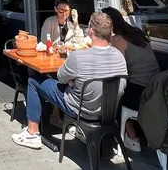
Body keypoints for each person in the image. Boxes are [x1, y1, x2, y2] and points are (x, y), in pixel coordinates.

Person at [12, 12, 127, 150]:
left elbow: (60, 77)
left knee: (34, 81)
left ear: (91, 30)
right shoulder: (119, 56)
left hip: (79, 109)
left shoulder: (79, 56)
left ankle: (32, 132)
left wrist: (74, 80)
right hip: (109, 112)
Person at [102, 7, 160, 152]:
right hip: (158, 87)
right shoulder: (137, 33)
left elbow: (119, 68)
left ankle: (132, 137)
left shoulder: (117, 39)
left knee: (114, 97)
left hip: (141, 91)